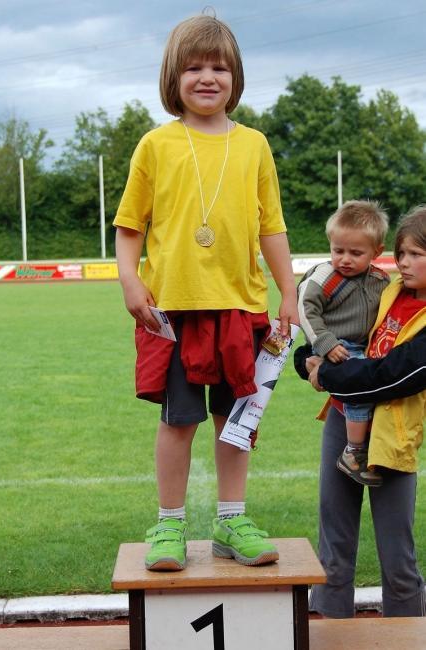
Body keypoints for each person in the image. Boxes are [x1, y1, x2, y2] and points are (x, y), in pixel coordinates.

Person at [113, 14, 298, 571]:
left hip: (241, 305)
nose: (207, 77)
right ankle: (168, 526)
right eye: (194, 67)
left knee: (235, 420)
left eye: (219, 67)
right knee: (178, 419)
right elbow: (130, 226)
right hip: (173, 309)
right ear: (174, 77)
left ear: (235, 76)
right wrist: (129, 278)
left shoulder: (255, 145)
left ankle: (231, 521)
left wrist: (288, 292)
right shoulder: (155, 144)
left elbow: (273, 227)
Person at [299, 206, 426, 618]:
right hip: (342, 420)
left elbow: (389, 376)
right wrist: (309, 358)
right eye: (402, 253)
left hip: (391, 439)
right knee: (333, 553)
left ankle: (406, 638)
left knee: (398, 561)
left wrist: (328, 373)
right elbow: (341, 327)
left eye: (416, 255)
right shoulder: (386, 290)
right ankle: (329, 634)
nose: (403, 264)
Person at [297, 200, 390, 486]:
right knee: (359, 383)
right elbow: (304, 306)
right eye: (338, 251)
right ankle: (353, 451)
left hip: (363, 346)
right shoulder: (325, 275)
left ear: (376, 252)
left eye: (355, 253)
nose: (345, 259)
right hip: (335, 343)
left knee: (371, 381)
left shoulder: (380, 279)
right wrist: (324, 344)